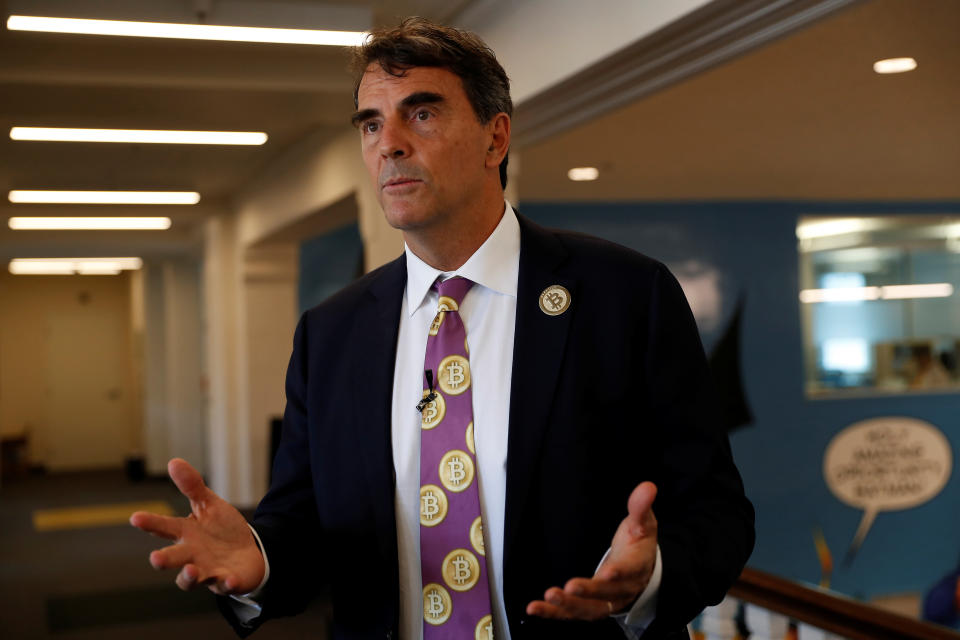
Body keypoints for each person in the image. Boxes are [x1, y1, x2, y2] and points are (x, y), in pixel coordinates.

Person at [130, 17, 754, 640]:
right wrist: (261, 563)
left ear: (495, 138)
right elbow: (305, 522)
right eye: (372, 123)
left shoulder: (624, 296)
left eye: (421, 114)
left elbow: (716, 511)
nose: (389, 144)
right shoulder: (332, 333)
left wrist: (650, 580)